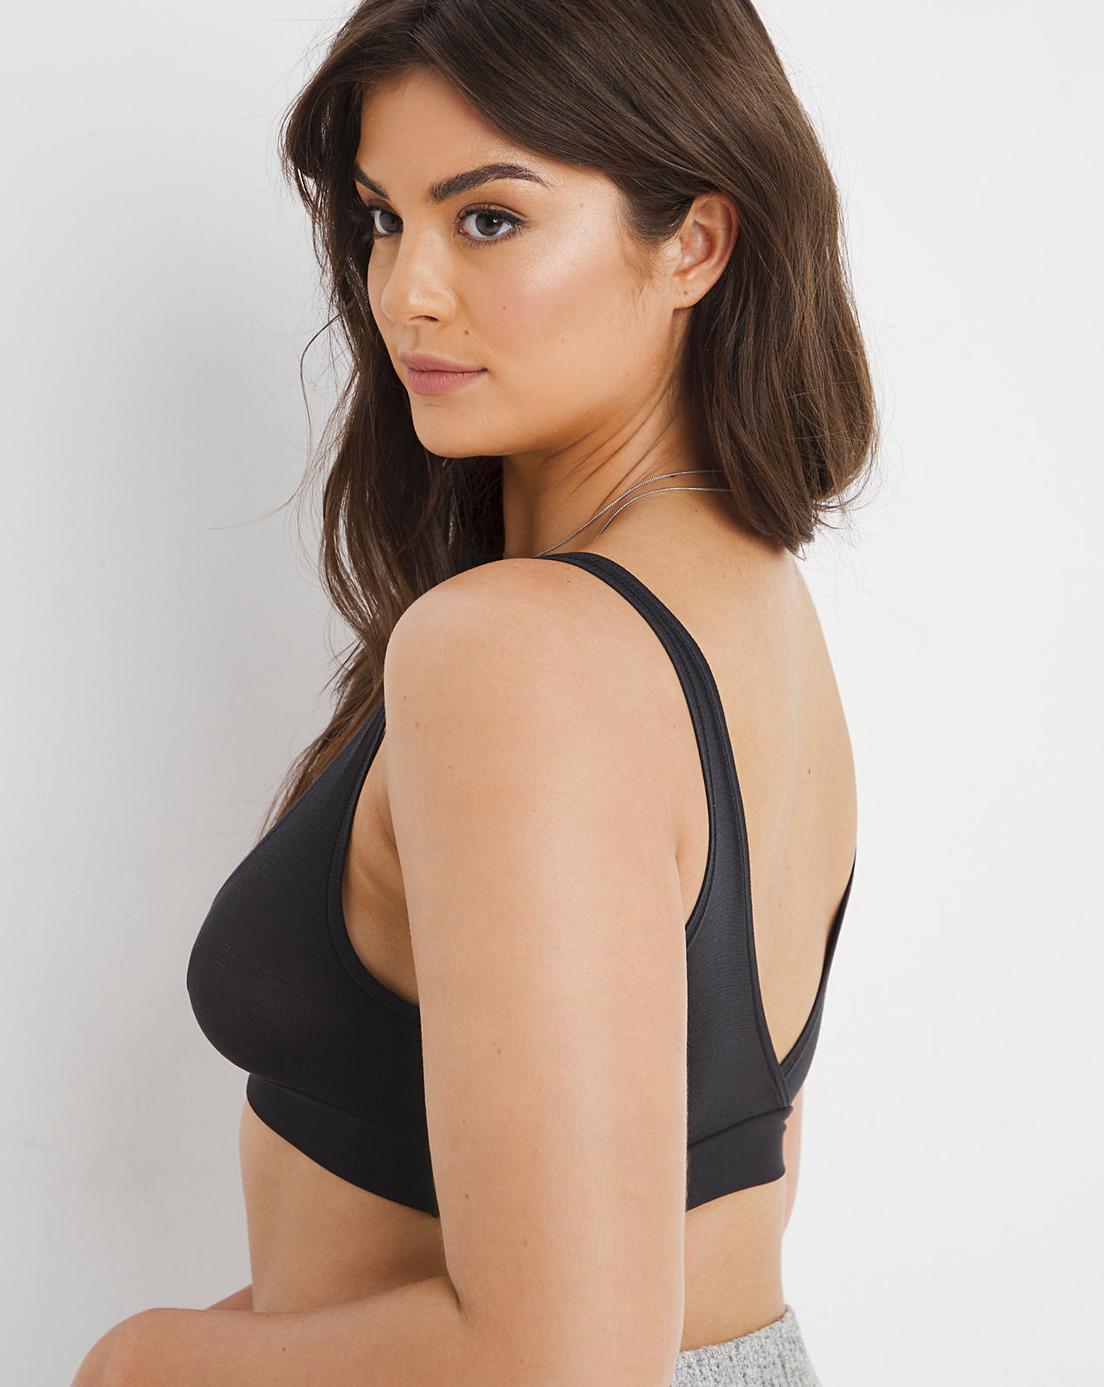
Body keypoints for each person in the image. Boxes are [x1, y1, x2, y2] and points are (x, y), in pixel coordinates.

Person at [102, 4, 879, 1384]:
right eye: (382, 219)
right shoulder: (748, 596)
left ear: (695, 244)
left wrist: (137, 1364)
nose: (406, 291)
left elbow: (560, 1361)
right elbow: (681, 1228)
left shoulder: (522, 650)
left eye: (490, 221)